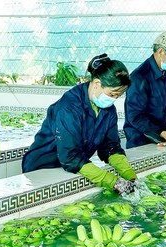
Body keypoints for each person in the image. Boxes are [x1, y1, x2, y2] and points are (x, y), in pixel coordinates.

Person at [22, 54, 137, 195]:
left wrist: (130, 176)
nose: (114, 99)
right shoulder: (69, 107)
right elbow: (70, 157)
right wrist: (112, 181)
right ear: (96, 84)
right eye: (112, 94)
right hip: (42, 169)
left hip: (70, 169)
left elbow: (110, 148)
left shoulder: (108, 111)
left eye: (118, 96)